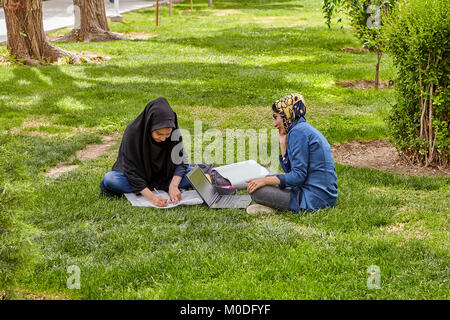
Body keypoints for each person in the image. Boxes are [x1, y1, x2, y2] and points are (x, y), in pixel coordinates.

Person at [246, 93, 338, 212]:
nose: (274, 124)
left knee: (257, 191)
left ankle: (273, 208)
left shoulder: (298, 132)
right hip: (322, 195)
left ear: (286, 114)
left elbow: (298, 176)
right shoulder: (301, 129)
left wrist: (264, 181)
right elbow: (291, 172)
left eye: (275, 117)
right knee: (267, 177)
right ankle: (275, 201)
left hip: (315, 199)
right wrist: (283, 143)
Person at [100, 97, 191, 207]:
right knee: (111, 179)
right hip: (138, 177)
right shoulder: (132, 133)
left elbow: (180, 160)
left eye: (167, 134)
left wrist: (173, 186)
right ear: (149, 125)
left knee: (194, 173)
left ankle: (162, 186)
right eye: (158, 134)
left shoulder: (174, 132)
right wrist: (151, 197)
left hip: (165, 176)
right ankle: (147, 188)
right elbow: (129, 170)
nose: (163, 139)